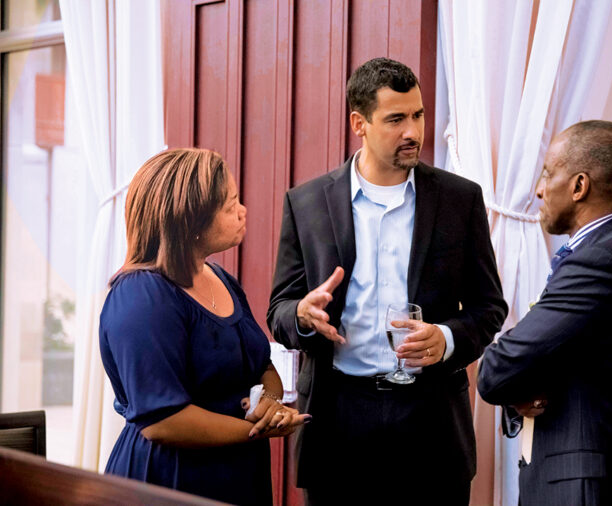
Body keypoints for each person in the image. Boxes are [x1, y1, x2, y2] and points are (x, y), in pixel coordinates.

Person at [267, 57, 508, 505]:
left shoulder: (461, 200)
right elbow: (279, 310)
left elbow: (489, 306)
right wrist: (301, 315)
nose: (413, 131)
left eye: (417, 115)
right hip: (338, 424)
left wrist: (447, 338)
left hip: (432, 425)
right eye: (396, 119)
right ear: (359, 123)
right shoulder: (307, 203)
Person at [477, 120, 612, 505]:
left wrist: (515, 377)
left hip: (594, 490)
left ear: (579, 186)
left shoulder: (599, 260)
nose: (538, 189)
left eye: (547, 174)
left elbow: (496, 369)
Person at [99, 148, 309, 505]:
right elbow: (163, 421)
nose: (243, 212)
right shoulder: (141, 295)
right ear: (191, 221)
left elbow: (262, 367)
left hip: (238, 474)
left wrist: (269, 405)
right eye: (230, 206)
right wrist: (256, 431)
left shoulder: (219, 278)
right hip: (170, 480)